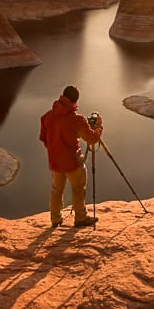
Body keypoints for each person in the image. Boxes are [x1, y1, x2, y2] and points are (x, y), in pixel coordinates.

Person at [39, 85, 103, 227]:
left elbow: (44, 138)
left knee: (56, 190)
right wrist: (99, 127)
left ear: (62, 97)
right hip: (72, 163)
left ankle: (55, 219)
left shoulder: (47, 117)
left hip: (55, 162)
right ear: (75, 101)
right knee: (78, 189)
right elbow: (92, 139)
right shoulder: (77, 119)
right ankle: (80, 218)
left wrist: (55, 148)